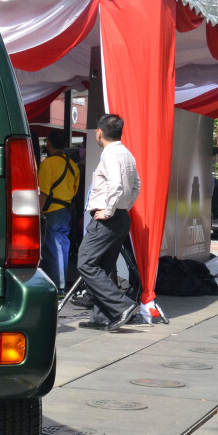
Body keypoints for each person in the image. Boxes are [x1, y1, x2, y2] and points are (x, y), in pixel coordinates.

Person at [77, 114, 141, 331]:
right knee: (104, 267)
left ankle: (122, 306)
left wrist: (109, 209)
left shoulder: (111, 155)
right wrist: (123, 206)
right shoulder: (127, 154)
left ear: (99, 132)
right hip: (120, 216)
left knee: (85, 262)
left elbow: (115, 185)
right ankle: (102, 317)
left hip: (108, 217)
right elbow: (136, 186)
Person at [38, 129, 80, 295]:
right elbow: (75, 190)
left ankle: (58, 286)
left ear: (49, 144)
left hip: (52, 210)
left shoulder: (48, 164)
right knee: (63, 246)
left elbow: (43, 193)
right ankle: (61, 285)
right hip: (67, 211)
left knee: (53, 248)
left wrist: (37, 213)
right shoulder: (73, 165)